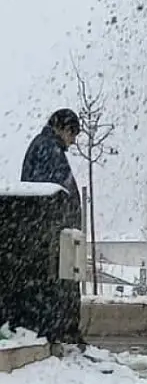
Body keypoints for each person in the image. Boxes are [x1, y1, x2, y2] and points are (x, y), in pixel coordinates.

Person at [20, 108, 85, 346]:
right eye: (73, 134)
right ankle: (63, 332)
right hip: (52, 229)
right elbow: (56, 189)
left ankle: (63, 330)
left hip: (46, 228)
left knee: (60, 281)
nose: (73, 140)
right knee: (61, 282)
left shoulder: (44, 146)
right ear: (63, 128)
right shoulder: (49, 148)